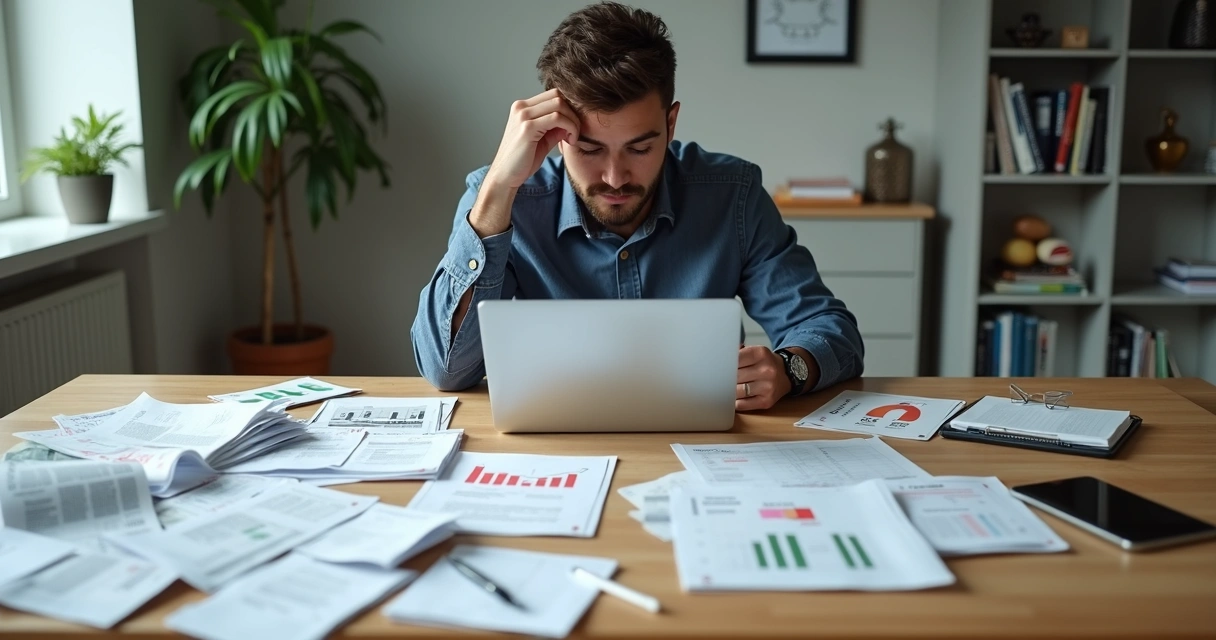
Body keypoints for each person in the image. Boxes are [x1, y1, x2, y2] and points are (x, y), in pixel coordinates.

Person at [412, 1, 863, 410]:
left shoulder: (733, 195)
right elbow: (446, 370)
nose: (614, 177)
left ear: (670, 124)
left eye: (639, 148)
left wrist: (789, 369)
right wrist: (497, 189)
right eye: (589, 150)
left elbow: (830, 329)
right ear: (554, 138)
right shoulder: (503, 199)